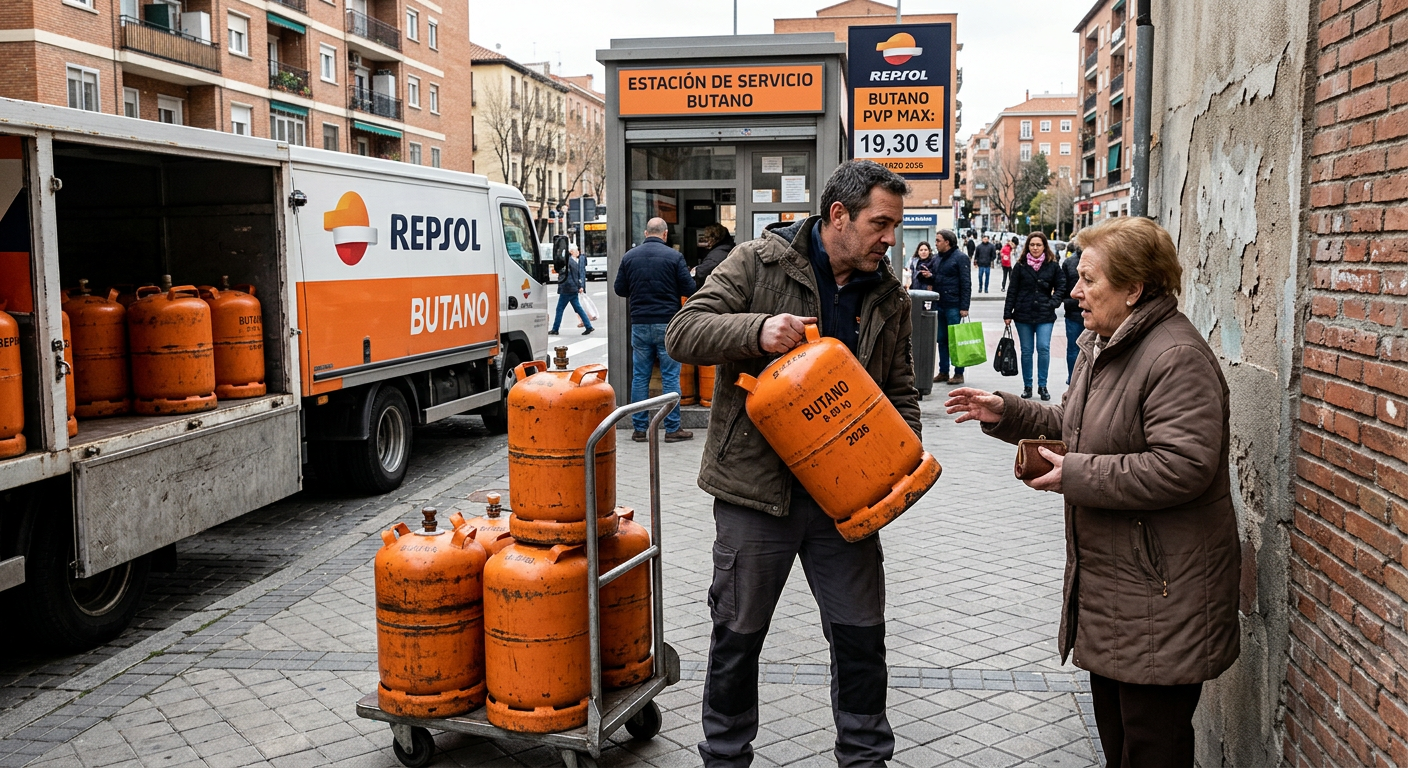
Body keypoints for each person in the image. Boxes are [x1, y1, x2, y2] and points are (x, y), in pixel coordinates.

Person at [944, 216, 1240, 768]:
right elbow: (1073, 423)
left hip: (1161, 594)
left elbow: (1184, 466)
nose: (1074, 291)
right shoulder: (1102, 344)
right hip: (1117, 591)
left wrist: (1076, 475)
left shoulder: (1175, 357)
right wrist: (1008, 412)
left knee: (1152, 749)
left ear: (1134, 289)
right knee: (1119, 743)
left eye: (1088, 279)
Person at [665, 160, 918, 768]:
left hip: (845, 503)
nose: (890, 238)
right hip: (757, 495)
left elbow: (900, 390)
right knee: (738, 635)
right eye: (880, 224)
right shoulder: (757, 262)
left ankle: (865, 757)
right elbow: (683, 331)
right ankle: (726, 755)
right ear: (839, 215)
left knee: (861, 637)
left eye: (894, 226)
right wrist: (757, 331)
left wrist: (898, 460)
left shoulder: (888, 294)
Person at [614, 217, 696, 443]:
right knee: (670, 376)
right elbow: (690, 288)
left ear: (645, 233)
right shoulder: (674, 257)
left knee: (640, 376)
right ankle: (672, 429)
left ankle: (639, 429)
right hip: (667, 324)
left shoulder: (629, 257)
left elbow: (620, 289)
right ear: (665, 234)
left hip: (640, 323)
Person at [1003, 232, 1065, 400]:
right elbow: (1012, 290)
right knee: (1026, 351)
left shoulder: (1052, 265)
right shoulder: (1020, 266)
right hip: (1023, 314)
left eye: (1038, 245)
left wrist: (1053, 302)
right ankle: (1028, 386)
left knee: (1043, 348)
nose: (1035, 248)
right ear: (1027, 247)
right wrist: (1007, 313)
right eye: (1032, 245)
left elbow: (1062, 286)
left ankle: (1042, 386)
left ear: (1044, 246)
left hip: (1045, 314)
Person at [919, 230, 971, 385]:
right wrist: (928, 276)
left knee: (956, 340)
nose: (935, 243)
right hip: (939, 302)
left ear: (947, 242)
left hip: (953, 304)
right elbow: (937, 278)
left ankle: (959, 372)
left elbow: (966, 283)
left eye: (938, 240)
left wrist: (964, 306)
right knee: (941, 339)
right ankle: (943, 371)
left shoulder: (960, 258)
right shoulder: (937, 258)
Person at [548, 243, 594, 336]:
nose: (578, 252)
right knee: (578, 308)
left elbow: (571, 276)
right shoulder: (572, 261)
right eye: (576, 250)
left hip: (567, 289)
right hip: (572, 289)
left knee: (560, 309)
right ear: (571, 252)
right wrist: (579, 286)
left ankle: (555, 329)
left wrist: (577, 286)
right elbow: (576, 276)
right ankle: (588, 326)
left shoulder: (568, 261)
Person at [1058, 237, 1084, 384]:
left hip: (1091, 312)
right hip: (1074, 313)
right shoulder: (1069, 262)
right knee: (1074, 349)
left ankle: (1082, 381)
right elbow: (1063, 287)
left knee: (1088, 348)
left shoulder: (1099, 260)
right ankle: (1073, 380)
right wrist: (1066, 301)